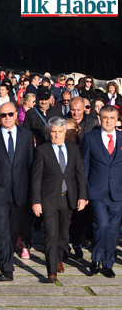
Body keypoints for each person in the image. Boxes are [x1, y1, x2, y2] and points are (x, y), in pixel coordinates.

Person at [31, 116, 87, 283]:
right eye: (54, 132)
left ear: (65, 132)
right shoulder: (42, 150)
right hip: (49, 199)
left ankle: (58, 256)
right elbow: (36, 178)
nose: (57, 135)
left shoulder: (73, 149)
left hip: (68, 198)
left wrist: (82, 196)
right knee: (51, 234)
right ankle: (51, 270)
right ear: (49, 132)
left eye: (60, 132)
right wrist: (36, 201)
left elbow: (80, 175)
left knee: (63, 234)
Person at [0, 103, 34, 282]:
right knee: (2, 229)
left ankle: (8, 255)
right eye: (3, 115)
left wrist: (32, 193)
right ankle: (6, 269)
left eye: (10, 114)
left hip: (20, 191)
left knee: (13, 231)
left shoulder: (27, 136)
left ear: (16, 115)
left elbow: (30, 164)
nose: (7, 117)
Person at [82, 105, 122, 278]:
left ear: (116, 120)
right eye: (105, 117)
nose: (108, 120)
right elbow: (84, 166)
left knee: (113, 229)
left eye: (111, 118)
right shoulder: (90, 138)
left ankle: (107, 264)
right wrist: (83, 193)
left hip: (118, 193)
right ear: (99, 118)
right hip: (97, 192)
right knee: (102, 225)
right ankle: (95, 259)